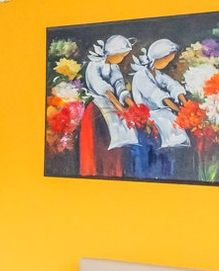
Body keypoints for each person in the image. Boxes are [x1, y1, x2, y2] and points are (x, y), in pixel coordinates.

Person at [131, 38, 191, 178]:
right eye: (166, 60)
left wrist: (186, 104)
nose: (167, 63)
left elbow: (173, 86)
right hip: (147, 121)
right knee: (154, 161)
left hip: (161, 117)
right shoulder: (141, 76)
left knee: (170, 152)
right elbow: (157, 95)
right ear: (157, 58)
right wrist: (179, 111)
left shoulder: (157, 74)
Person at [80, 35, 138, 177]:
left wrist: (132, 106)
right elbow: (104, 89)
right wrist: (120, 107)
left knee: (116, 145)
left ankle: (113, 174)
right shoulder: (93, 66)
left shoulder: (114, 67)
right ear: (113, 53)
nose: (122, 59)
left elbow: (119, 85)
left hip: (113, 109)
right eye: (121, 56)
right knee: (99, 145)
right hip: (97, 112)